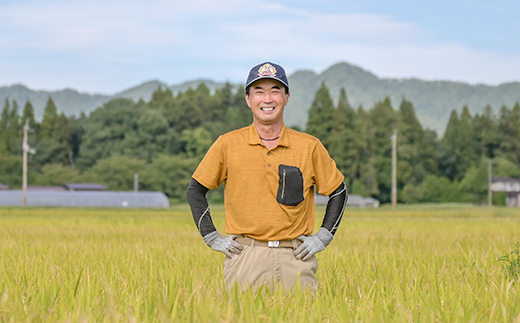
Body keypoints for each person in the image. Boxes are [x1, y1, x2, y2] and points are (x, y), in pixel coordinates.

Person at [186, 62, 347, 291]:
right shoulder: (228, 144)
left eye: (275, 91)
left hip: (296, 258)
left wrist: (323, 237)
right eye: (259, 92)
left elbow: (338, 190)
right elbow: (195, 190)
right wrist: (211, 236)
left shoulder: (309, 146)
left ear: (286, 97)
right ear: (248, 99)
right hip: (245, 257)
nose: (268, 99)